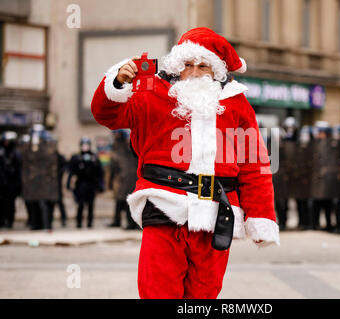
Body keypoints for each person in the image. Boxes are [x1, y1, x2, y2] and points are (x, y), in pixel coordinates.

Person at [91, 27, 279, 299]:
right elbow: (106, 114)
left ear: (216, 72)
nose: (195, 72)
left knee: (204, 294)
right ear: (178, 67)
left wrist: (260, 216)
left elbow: (254, 164)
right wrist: (118, 82)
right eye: (188, 65)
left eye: (204, 66)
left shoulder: (237, 104)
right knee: (157, 290)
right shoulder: (152, 92)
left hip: (217, 214)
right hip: (164, 207)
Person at [67, 137, 104, 228]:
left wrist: (101, 185)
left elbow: (100, 173)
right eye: (83, 145)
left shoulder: (94, 158)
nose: (85, 147)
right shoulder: (76, 158)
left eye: (87, 145)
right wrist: (68, 183)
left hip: (91, 184)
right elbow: (71, 171)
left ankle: (89, 223)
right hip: (80, 184)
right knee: (80, 204)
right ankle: (79, 223)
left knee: (91, 205)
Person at [108, 129, 139, 230]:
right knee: (120, 200)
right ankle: (118, 221)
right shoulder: (116, 147)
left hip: (130, 177)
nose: (115, 136)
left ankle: (132, 223)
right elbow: (113, 165)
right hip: (122, 177)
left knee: (128, 201)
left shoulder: (127, 145)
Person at [311, 121, 334, 231]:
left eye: (321, 132)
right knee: (316, 203)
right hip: (316, 179)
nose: (319, 135)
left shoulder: (331, 145)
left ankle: (329, 224)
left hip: (327, 180)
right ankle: (315, 224)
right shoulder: (315, 144)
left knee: (327, 204)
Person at [0, 131, 22, 229]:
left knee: (10, 204)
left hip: (11, 184)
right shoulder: (1, 152)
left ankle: (9, 221)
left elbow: (18, 170)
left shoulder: (16, 154)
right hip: (2, 183)